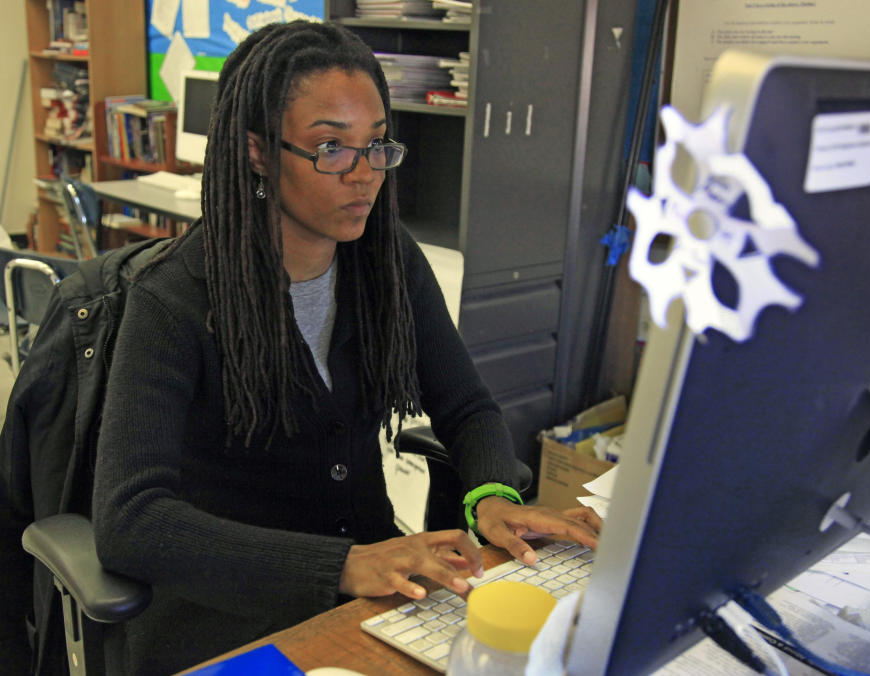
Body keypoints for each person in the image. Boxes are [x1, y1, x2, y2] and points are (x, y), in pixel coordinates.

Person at [91, 20, 601, 675]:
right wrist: (346, 564)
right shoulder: (174, 299)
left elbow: (467, 404)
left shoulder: (384, 262)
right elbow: (131, 520)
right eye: (331, 148)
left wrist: (492, 499)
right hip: (229, 619)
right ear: (256, 152)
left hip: (373, 594)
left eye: (377, 146)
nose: (364, 176)